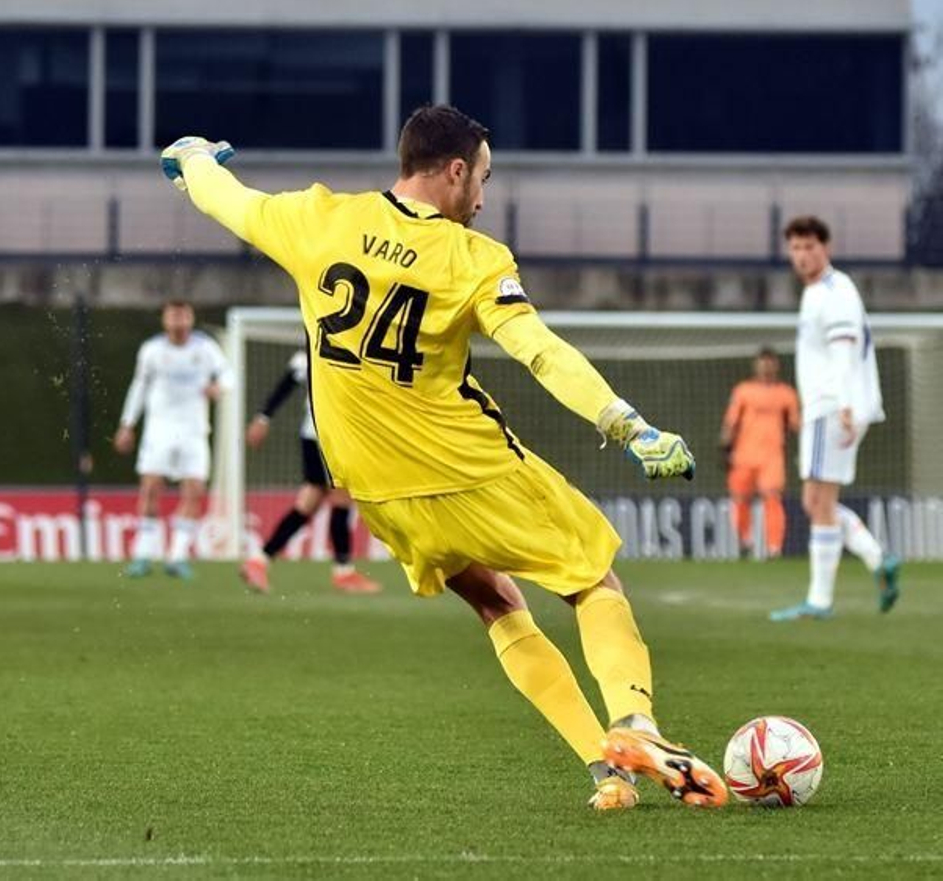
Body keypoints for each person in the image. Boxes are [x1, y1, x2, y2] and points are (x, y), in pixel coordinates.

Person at [162, 104, 727, 810]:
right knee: (593, 578)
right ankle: (635, 722)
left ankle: (606, 774)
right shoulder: (473, 258)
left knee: (495, 601)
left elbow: (228, 202)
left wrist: (192, 159)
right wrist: (627, 423)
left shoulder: (319, 218)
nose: (484, 199)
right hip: (468, 465)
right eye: (483, 179)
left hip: (376, 491)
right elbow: (539, 351)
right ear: (456, 170)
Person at [770, 216, 900, 621]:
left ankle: (820, 601)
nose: (802, 255)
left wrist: (844, 404)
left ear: (826, 247)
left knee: (819, 503)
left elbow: (844, 351)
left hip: (832, 407)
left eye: (809, 246)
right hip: (827, 407)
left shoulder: (835, 292)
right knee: (816, 502)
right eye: (795, 248)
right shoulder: (817, 292)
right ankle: (879, 559)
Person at [241, 350, 380, 595]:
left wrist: (264, 418)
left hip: (321, 436)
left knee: (309, 503)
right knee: (341, 498)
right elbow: (287, 385)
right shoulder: (321, 350)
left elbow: (286, 385)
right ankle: (343, 572)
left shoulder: (335, 348)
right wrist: (263, 419)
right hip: (325, 437)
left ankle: (259, 560)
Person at [113, 301, 229, 580]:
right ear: (165, 320)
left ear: (191, 318)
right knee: (151, 487)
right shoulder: (152, 350)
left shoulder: (205, 348)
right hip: (160, 429)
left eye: (183, 315)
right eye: (173, 316)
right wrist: (127, 425)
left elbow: (229, 375)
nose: (178, 321)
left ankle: (177, 556)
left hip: (194, 430)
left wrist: (219, 387)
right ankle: (143, 555)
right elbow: (138, 386)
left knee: (195, 490)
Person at [719, 348, 798, 558]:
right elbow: (731, 422)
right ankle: (745, 541)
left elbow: (795, 425)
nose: (766, 366)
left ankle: (774, 548)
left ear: (776, 365)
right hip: (743, 454)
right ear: (756, 365)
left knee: (772, 497)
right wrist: (725, 448)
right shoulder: (743, 391)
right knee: (740, 499)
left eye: (770, 362)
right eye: (762, 362)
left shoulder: (786, 394)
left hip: (772, 456)